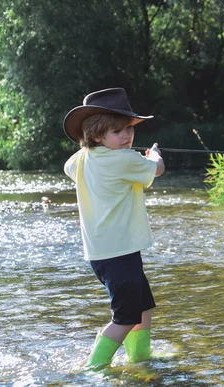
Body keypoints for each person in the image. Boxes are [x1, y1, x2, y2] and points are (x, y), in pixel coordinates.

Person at [63, 87, 165, 369]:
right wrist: (154, 155)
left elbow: (69, 166)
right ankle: (93, 368)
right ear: (97, 135)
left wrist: (95, 147)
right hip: (119, 253)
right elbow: (156, 170)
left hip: (104, 254)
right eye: (117, 132)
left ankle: (140, 358)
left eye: (128, 129)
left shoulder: (82, 159)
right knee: (126, 316)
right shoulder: (125, 159)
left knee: (143, 308)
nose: (127, 136)